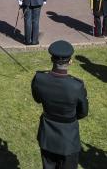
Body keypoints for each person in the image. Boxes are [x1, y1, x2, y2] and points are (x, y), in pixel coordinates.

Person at [31, 40, 89, 169]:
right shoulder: (76, 86)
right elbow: (83, 112)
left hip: (47, 137)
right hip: (68, 140)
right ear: (70, 61)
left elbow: (37, 99)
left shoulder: (39, 78)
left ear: (52, 59)